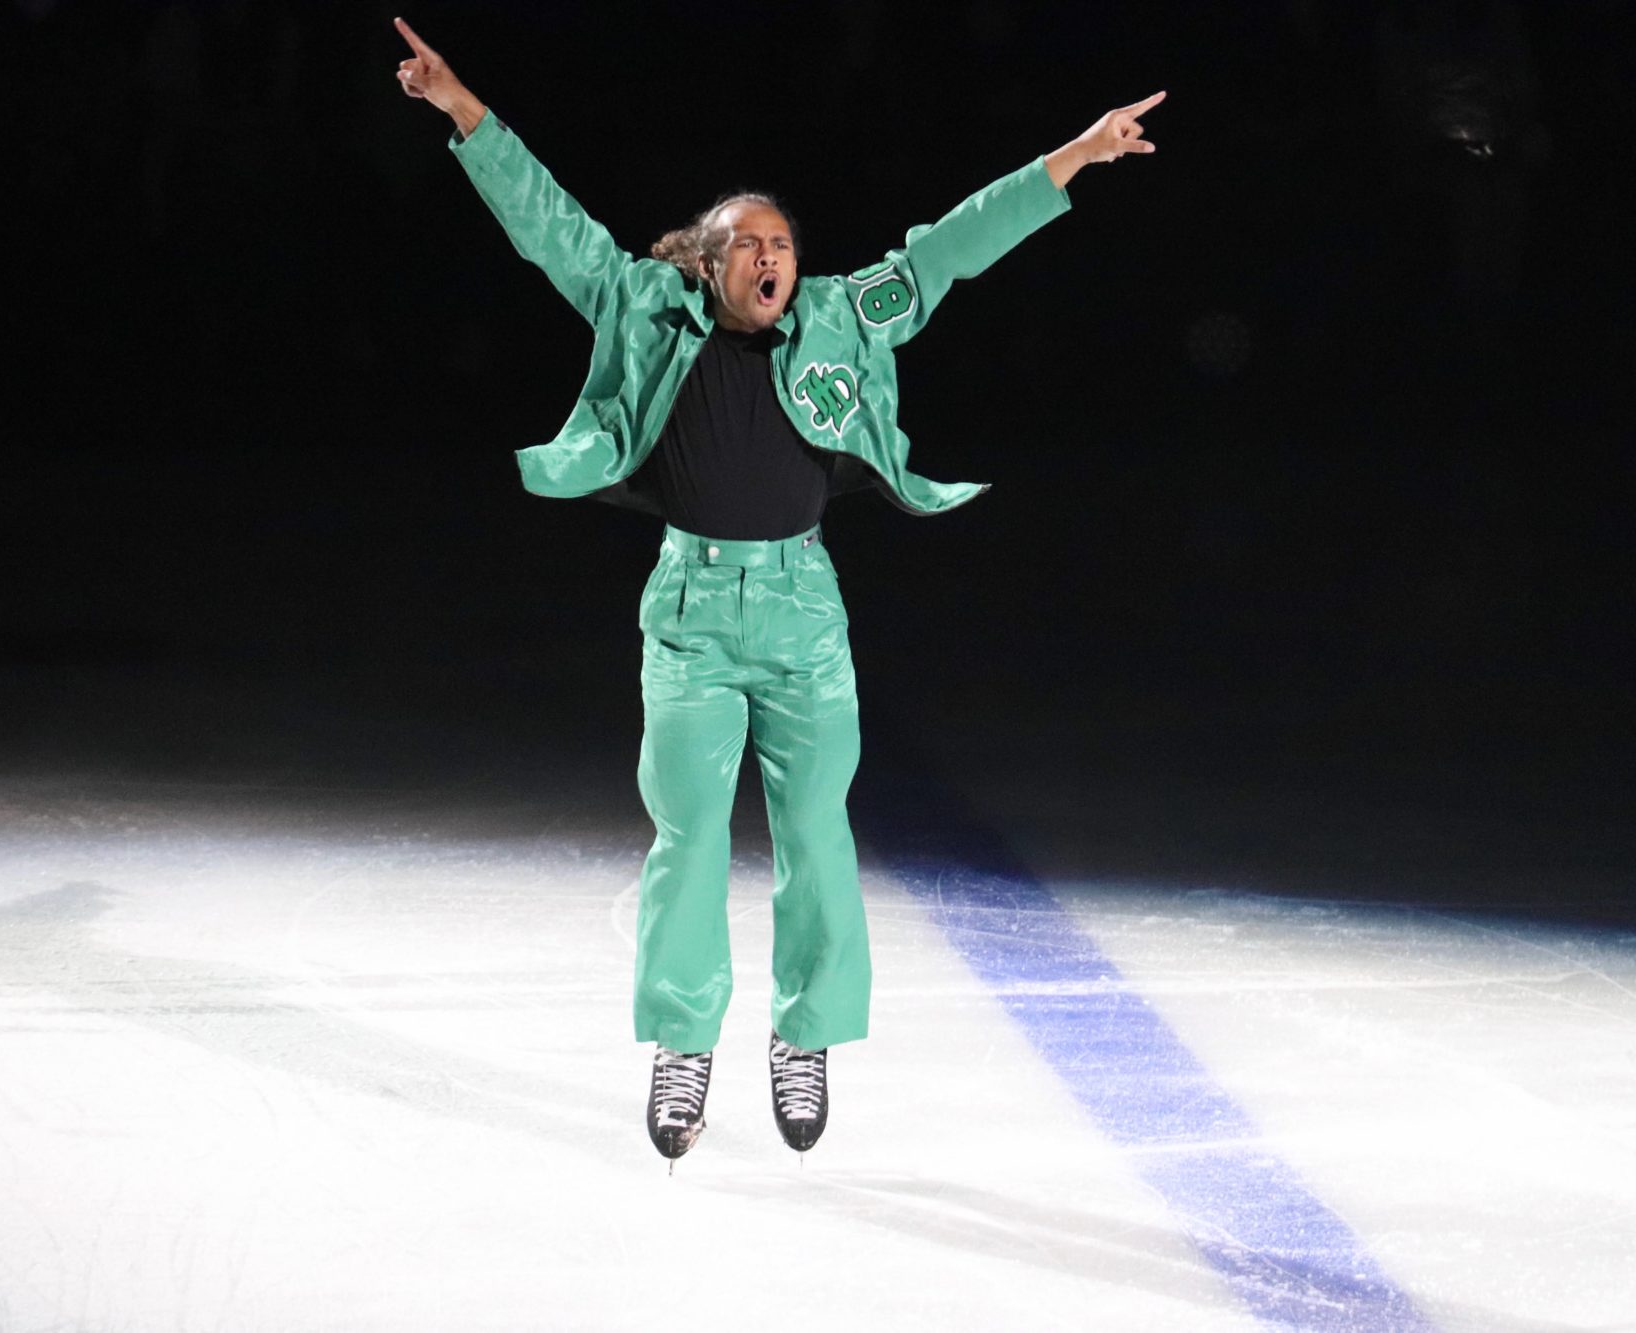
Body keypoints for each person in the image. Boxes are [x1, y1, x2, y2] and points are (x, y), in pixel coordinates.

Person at [393, 15, 1161, 1164]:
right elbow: (547, 227)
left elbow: (948, 249)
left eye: (783, 245)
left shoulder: (845, 318)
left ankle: (800, 1039)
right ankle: (682, 1046)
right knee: (689, 837)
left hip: (803, 616)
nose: (771, 257)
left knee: (815, 831)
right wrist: (464, 111)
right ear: (704, 262)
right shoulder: (641, 308)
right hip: (693, 619)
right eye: (748, 244)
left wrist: (1073, 158)